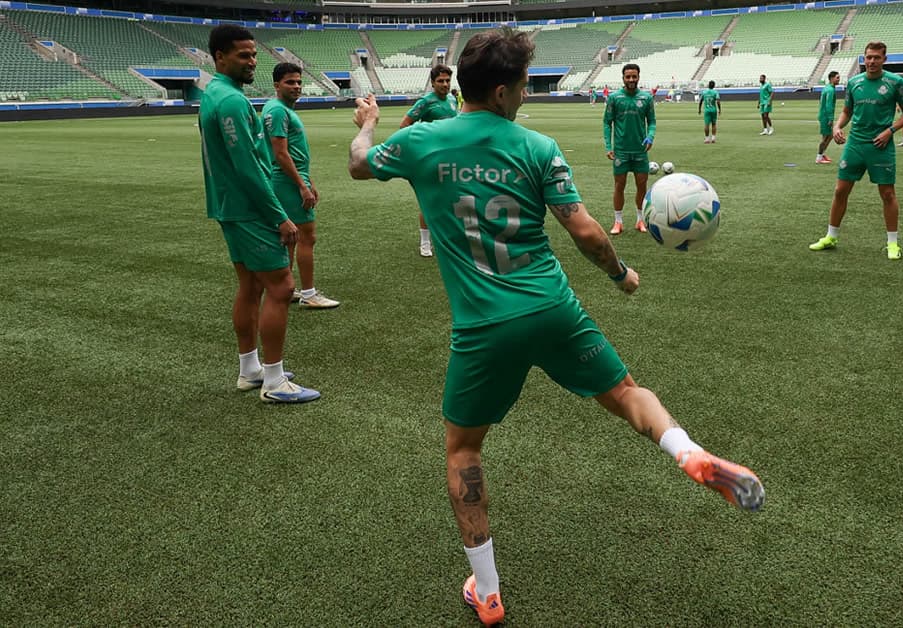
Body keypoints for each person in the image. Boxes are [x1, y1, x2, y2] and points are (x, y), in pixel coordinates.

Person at [347, 28, 765, 626]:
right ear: (499, 92)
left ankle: (487, 592)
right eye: (521, 86)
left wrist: (366, 123)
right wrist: (621, 275)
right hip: (551, 307)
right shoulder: (537, 147)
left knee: (464, 448)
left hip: (484, 327)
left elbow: (360, 165)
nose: (525, 96)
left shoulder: (420, 140)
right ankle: (689, 452)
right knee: (623, 392)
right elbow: (588, 233)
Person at [199, 25, 319, 403]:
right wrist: (279, 217)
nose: (252, 62)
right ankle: (274, 382)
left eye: (253, 55)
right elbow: (248, 169)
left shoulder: (217, 94)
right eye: (243, 55)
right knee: (282, 287)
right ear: (220, 57)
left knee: (250, 287)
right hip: (247, 209)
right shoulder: (231, 102)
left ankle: (250, 370)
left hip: (228, 206)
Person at [809, 41, 903, 260]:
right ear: (864, 59)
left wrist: (890, 131)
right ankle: (831, 236)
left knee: (887, 194)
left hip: (881, 145)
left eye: (876, 57)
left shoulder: (895, 82)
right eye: (868, 57)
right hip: (855, 144)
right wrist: (837, 127)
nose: (872, 61)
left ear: (884, 59)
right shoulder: (854, 82)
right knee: (840, 191)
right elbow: (847, 111)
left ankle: (893, 243)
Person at [262, 63, 340, 310]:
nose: (296, 87)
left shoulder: (281, 109)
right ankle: (309, 293)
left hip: (293, 180)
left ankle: (287, 287)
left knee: (292, 238)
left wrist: (310, 182)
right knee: (308, 236)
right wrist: (302, 186)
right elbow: (281, 154)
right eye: (290, 82)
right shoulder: (277, 110)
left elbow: (294, 155)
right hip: (286, 182)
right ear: (276, 85)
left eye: (298, 82)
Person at [398, 64, 458, 257]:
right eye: (440, 81)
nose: (445, 84)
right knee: (430, 201)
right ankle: (425, 243)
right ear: (433, 83)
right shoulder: (425, 102)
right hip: (431, 159)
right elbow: (405, 125)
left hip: (451, 157)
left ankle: (447, 238)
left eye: (447, 80)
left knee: (451, 199)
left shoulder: (452, 99)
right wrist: (419, 148)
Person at [603, 63, 656, 235]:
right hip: (621, 151)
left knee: (642, 186)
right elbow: (607, 122)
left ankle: (640, 220)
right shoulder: (614, 98)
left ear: (639, 77)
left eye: (634, 76)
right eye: (628, 77)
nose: (631, 79)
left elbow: (652, 122)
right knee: (619, 185)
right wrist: (609, 146)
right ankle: (618, 222)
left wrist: (650, 136)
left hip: (640, 151)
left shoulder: (646, 98)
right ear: (623, 78)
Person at [816, 70, 840, 164]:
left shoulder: (827, 88)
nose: (839, 79)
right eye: (837, 77)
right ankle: (819, 157)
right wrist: (830, 118)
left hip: (823, 115)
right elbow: (828, 105)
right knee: (826, 137)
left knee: (829, 136)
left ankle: (822, 154)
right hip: (826, 116)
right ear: (831, 78)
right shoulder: (830, 90)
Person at [698, 79, 721, 143]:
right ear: (714, 86)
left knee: (706, 125)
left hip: (707, 110)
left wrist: (699, 109)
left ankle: (707, 139)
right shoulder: (715, 92)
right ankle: (713, 138)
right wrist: (719, 109)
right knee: (714, 124)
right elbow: (718, 101)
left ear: (708, 85)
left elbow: (700, 101)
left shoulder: (704, 92)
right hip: (713, 110)